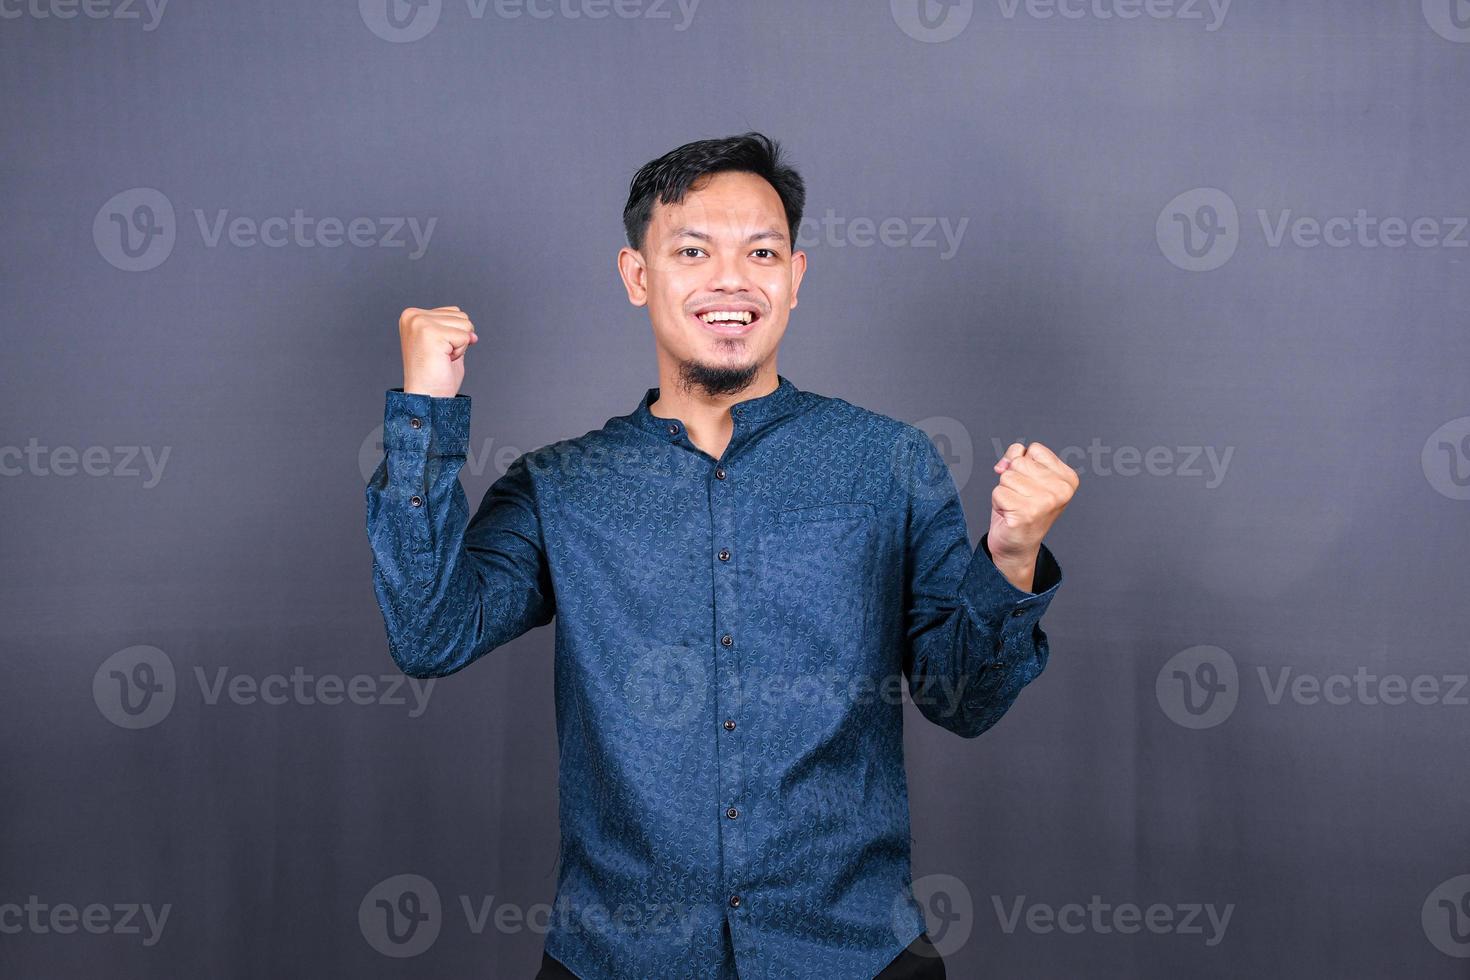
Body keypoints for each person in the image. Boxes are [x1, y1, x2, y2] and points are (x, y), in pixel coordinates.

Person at [365, 132, 1078, 979]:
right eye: (693, 250)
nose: (731, 281)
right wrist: (424, 415)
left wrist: (1012, 553)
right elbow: (429, 633)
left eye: (762, 253)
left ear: (796, 278)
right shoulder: (561, 486)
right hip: (618, 958)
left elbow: (961, 699)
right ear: (638, 276)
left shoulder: (888, 463)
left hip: (853, 954)